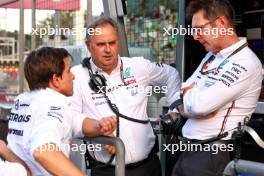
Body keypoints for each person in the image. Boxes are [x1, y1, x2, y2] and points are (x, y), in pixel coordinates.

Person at [70, 16, 181, 176]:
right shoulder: (77, 76)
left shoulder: (138, 66)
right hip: (106, 169)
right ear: (89, 46)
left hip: (148, 167)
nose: (108, 50)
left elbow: (171, 74)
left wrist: (175, 107)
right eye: (101, 44)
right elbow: (70, 119)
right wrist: (97, 128)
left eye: (112, 43)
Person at [172, 0, 263, 176]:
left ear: (221, 23)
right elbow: (181, 90)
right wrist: (189, 104)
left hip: (211, 155)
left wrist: (191, 103)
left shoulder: (245, 62)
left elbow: (200, 105)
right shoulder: (211, 56)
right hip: (188, 150)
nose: (195, 36)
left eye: (199, 29)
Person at [7, 47, 116, 176]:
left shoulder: (25, 101)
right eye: (68, 71)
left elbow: (74, 122)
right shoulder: (54, 106)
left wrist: (100, 126)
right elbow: (43, 151)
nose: (73, 76)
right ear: (56, 80)